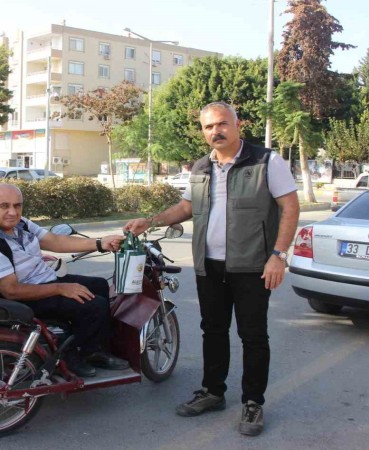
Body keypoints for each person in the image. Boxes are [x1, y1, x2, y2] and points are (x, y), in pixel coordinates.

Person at [124, 102, 299, 436]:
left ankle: (253, 402)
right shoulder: (202, 167)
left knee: (253, 335)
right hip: (209, 265)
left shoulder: (266, 161)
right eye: (208, 127)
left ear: (237, 124)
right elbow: (186, 207)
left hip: (252, 266)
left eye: (222, 124)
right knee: (213, 331)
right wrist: (151, 221)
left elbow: (290, 207)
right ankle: (213, 392)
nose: (215, 131)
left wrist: (278, 255)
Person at [0, 183, 129, 378]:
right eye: (4, 206)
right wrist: (60, 288)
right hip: (23, 297)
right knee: (94, 305)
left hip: (41, 280)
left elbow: (55, 241)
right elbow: (11, 291)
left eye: (17, 205)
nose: (13, 212)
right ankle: (69, 355)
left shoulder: (20, 224)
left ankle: (93, 349)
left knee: (99, 285)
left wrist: (100, 243)